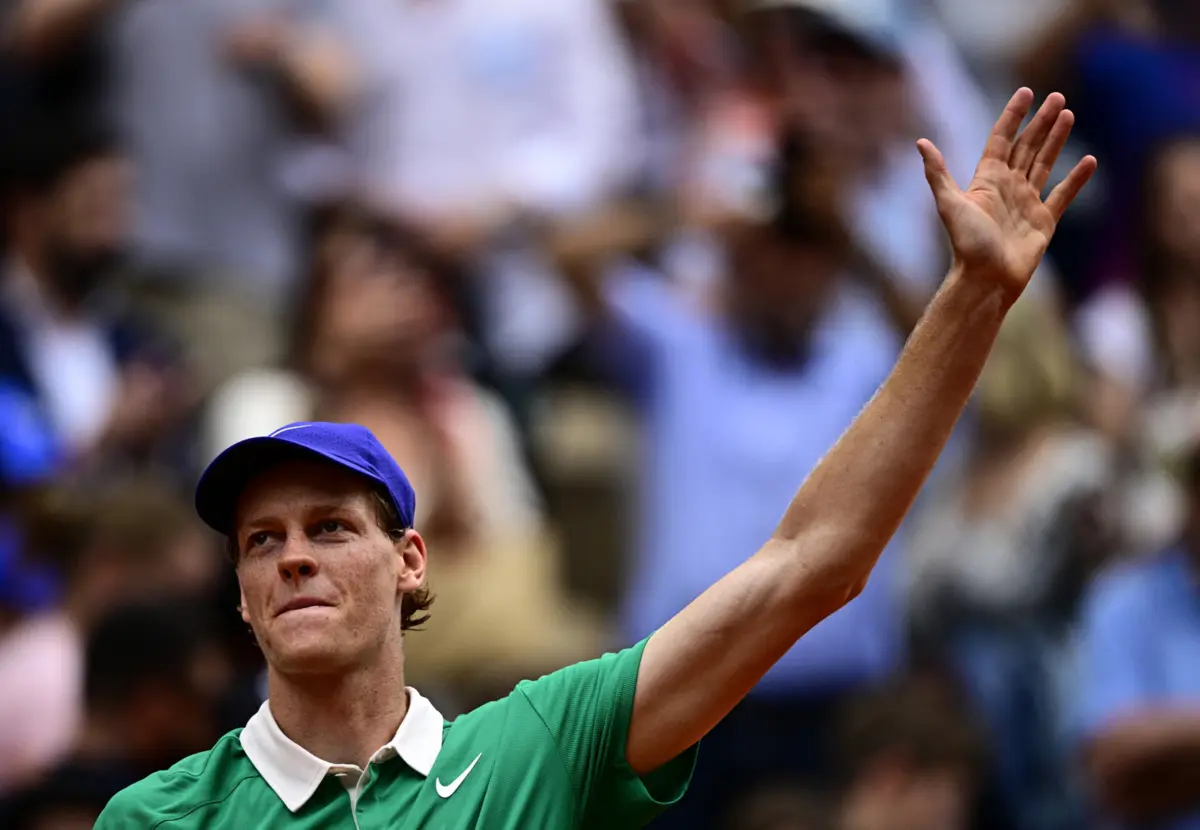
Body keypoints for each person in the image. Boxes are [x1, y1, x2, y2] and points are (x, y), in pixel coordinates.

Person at [95, 88, 1096, 828]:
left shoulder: (538, 741)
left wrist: (972, 297)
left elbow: (812, 559)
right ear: (238, 593)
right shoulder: (156, 816)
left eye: (329, 526)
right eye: (262, 539)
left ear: (410, 560)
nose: (293, 556)